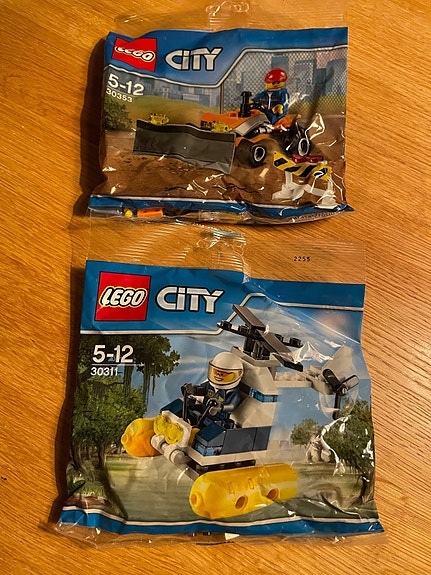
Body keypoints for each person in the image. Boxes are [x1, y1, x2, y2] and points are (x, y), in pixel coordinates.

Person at [182, 351, 243, 428]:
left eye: (223, 374)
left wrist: (219, 407)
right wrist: (193, 390)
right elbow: (202, 390)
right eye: (216, 372)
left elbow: (231, 406)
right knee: (186, 408)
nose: (218, 376)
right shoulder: (210, 385)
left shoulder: (232, 392)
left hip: (217, 418)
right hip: (203, 411)